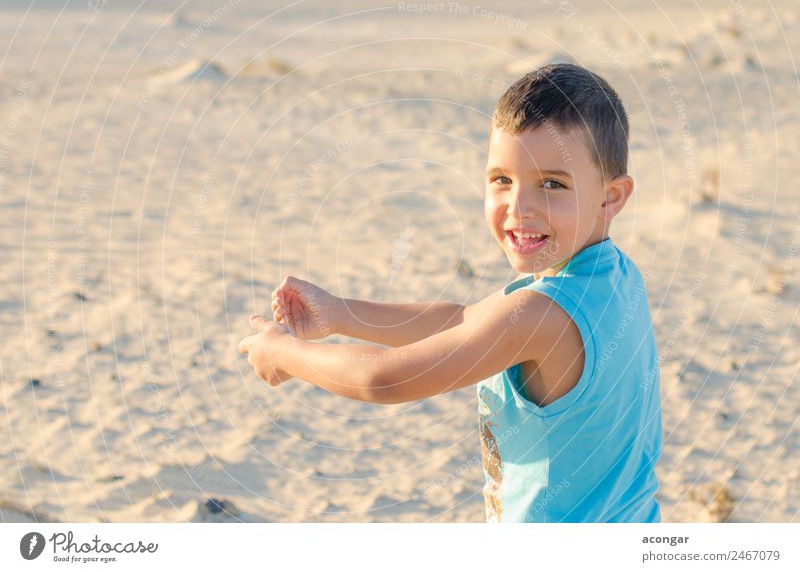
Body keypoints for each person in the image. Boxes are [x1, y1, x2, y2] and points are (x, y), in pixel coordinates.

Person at [238, 63, 662, 523]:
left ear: (610, 197)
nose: (518, 208)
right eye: (502, 179)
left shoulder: (542, 314)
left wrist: (285, 354)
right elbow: (463, 322)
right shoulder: (614, 276)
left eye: (552, 184)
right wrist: (340, 314)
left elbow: (386, 378)